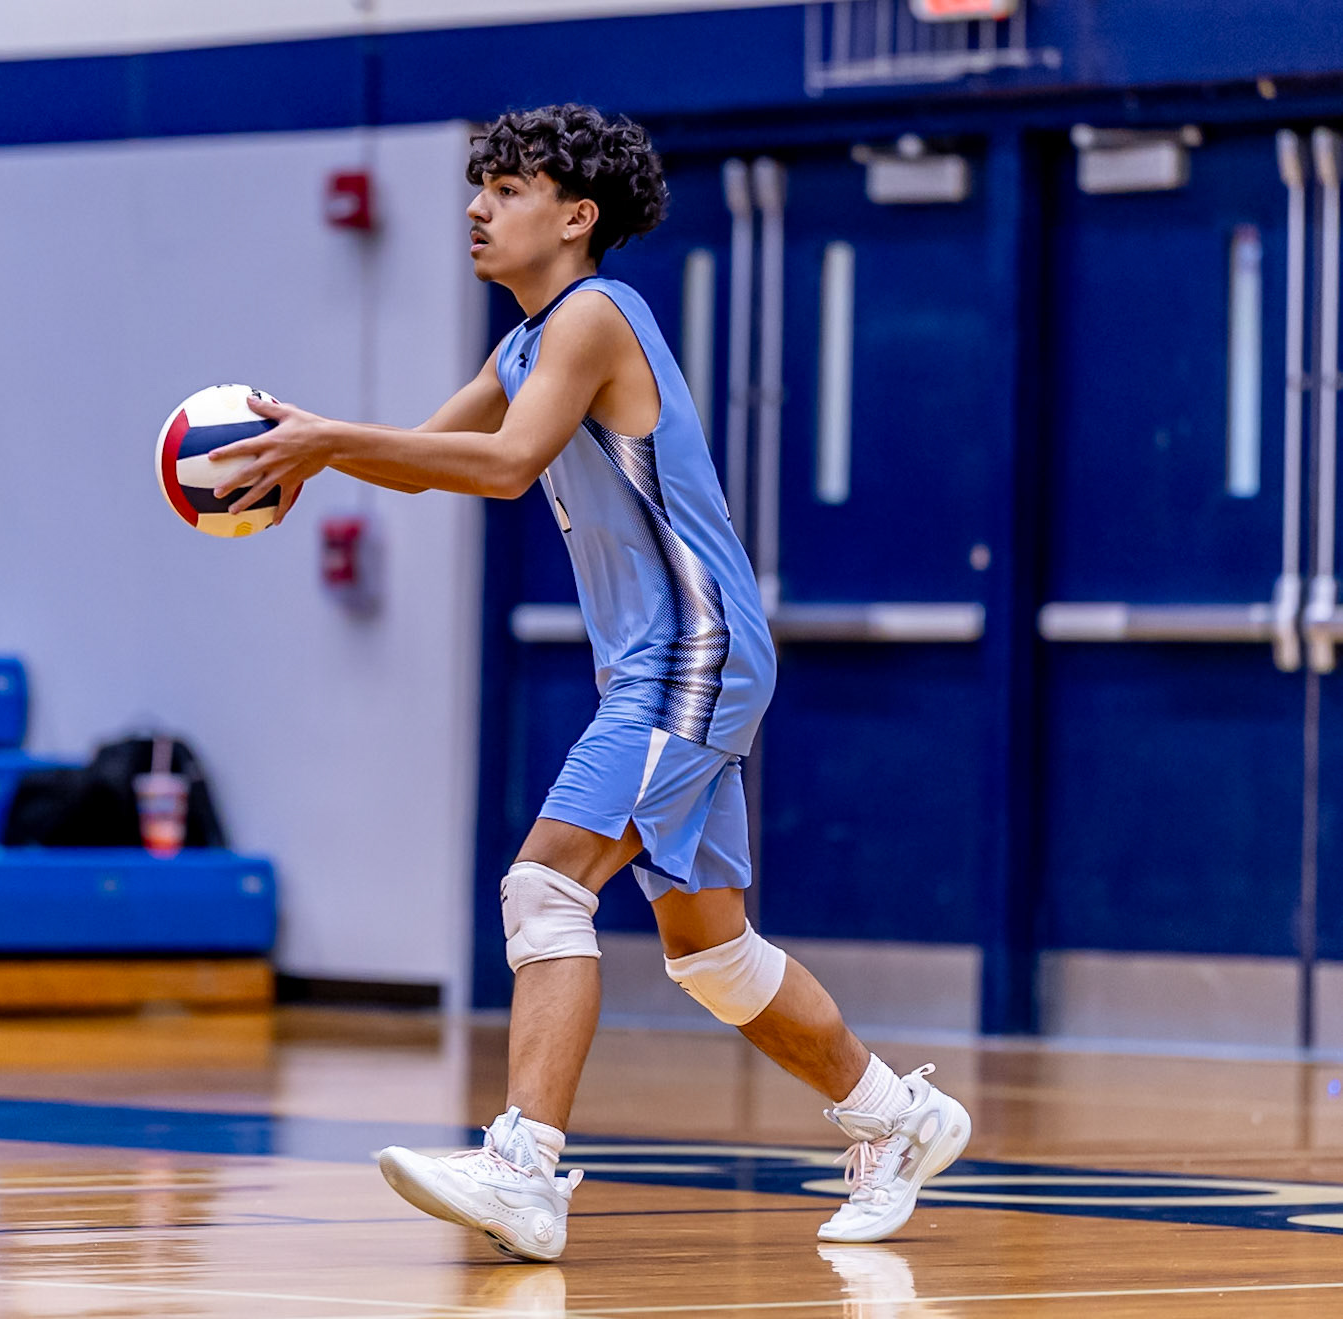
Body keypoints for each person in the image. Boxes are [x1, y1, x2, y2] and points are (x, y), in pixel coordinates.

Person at [209, 104, 970, 1259]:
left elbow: (508, 464)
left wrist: (328, 439)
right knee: (712, 953)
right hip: (666, 663)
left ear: (576, 215)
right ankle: (896, 1116)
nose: (477, 208)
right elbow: (432, 461)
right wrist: (316, 450)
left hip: (692, 651)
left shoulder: (595, 315)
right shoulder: (524, 345)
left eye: (507, 189)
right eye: (479, 188)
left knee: (546, 885)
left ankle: (525, 1165)